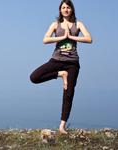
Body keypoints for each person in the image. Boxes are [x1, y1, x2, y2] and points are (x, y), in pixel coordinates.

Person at [30, 0, 92, 134]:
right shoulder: (55, 24)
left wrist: (72, 37)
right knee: (34, 77)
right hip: (56, 60)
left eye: (68, 7)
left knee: (68, 93)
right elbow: (45, 39)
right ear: (60, 10)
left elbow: (89, 39)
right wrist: (62, 37)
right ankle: (60, 74)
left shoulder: (78, 24)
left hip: (72, 63)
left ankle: (62, 126)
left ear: (72, 9)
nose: (66, 9)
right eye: (63, 7)